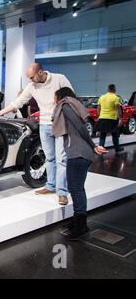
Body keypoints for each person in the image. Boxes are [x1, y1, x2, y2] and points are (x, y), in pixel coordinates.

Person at [0, 63, 73, 205]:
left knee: (61, 159)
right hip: (44, 125)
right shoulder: (32, 86)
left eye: (32, 77)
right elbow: (18, 102)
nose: (30, 80)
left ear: (40, 72)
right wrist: (0, 112)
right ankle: (51, 186)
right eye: (29, 78)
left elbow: (71, 98)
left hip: (60, 124)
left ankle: (62, 192)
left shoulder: (59, 79)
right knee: (49, 158)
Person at [51, 87, 107, 240]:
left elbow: (81, 127)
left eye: (54, 97)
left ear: (61, 96)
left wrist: (93, 145)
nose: (53, 101)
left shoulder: (66, 105)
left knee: (76, 189)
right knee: (76, 188)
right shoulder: (71, 105)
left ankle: (81, 226)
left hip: (79, 153)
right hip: (78, 152)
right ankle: (77, 220)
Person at [94, 84, 124, 152]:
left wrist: (99, 116)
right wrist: (120, 119)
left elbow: (98, 108)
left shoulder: (102, 97)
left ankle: (101, 149)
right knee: (115, 134)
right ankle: (117, 148)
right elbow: (118, 109)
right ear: (114, 89)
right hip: (112, 119)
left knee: (103, 135)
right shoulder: (116, 97)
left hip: (102, 118)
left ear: (107, 89)